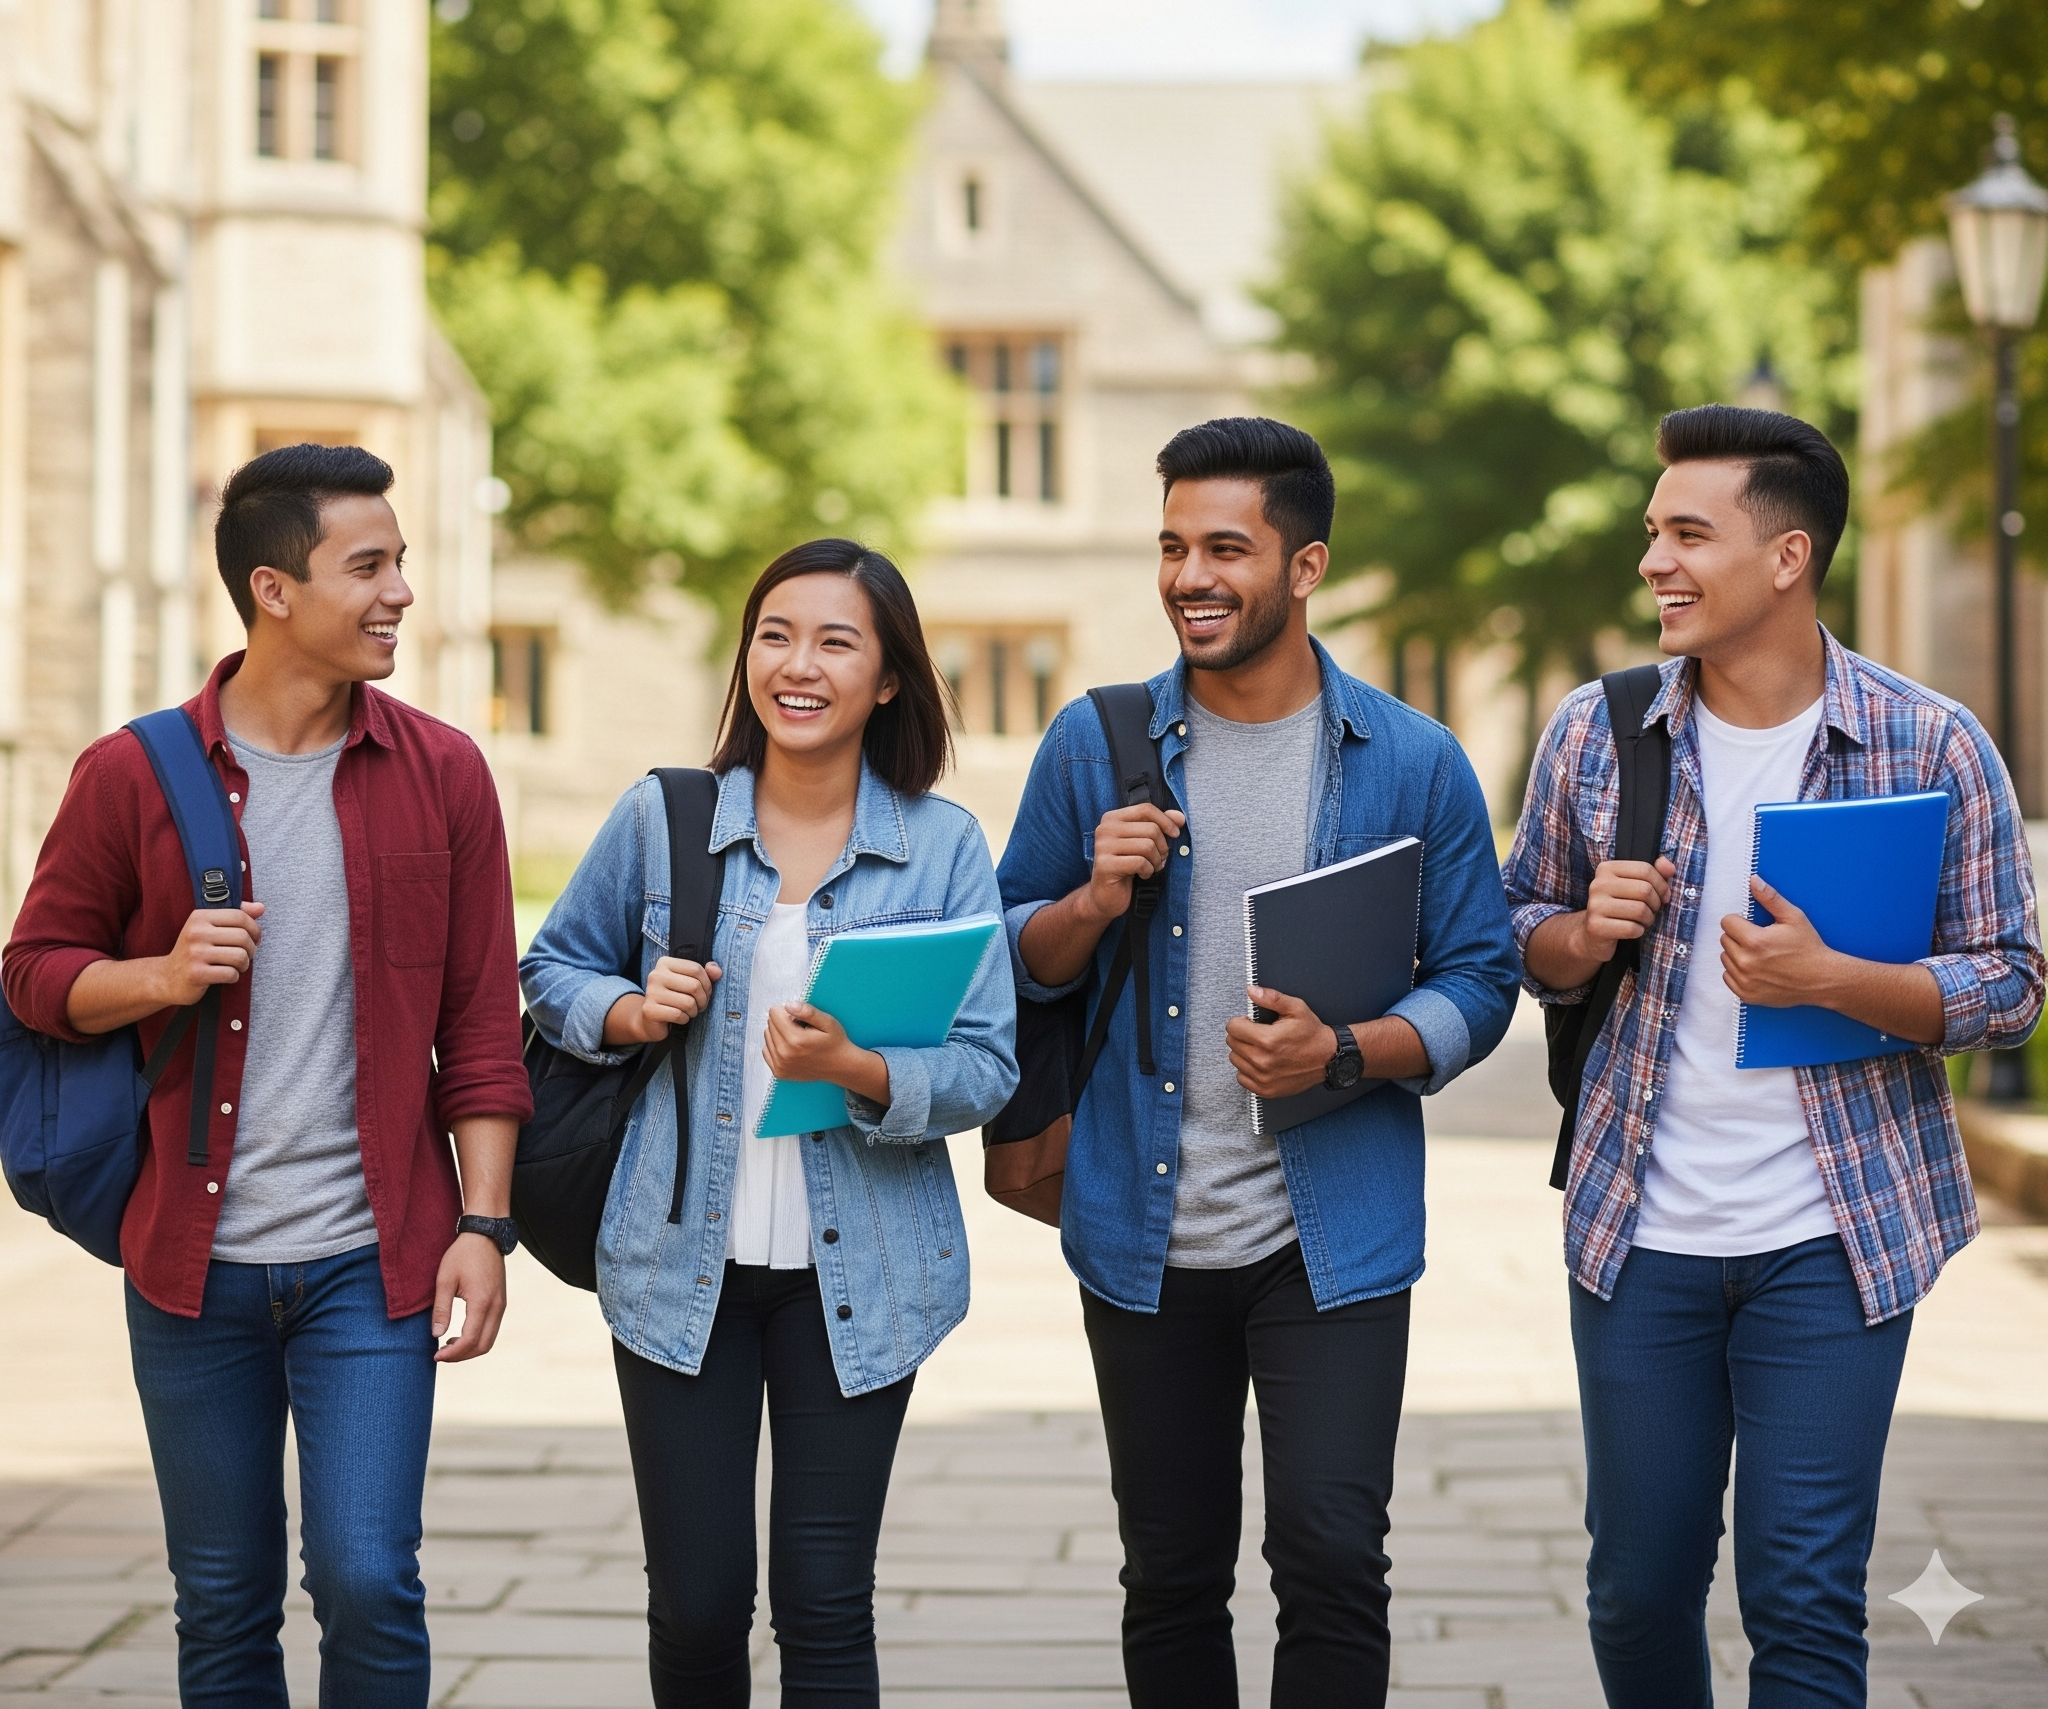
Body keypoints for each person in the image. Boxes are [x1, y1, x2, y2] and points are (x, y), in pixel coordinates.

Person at [1505, 405, 2045, 1709]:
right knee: (1637, 1585)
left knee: (1802, 1591)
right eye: (1654, 533)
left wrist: (1841, 983)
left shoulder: (1931, 742)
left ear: (1788, 556)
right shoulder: (1600, 732)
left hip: (1838, 1238)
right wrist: (1582, 932)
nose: (1656, 562)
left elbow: (2015, 986)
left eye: (1689, 533)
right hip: (1641, 1235)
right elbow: (1517, 933)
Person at [997, 416, 1522, 1708]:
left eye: (1225, 547)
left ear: (1306, 566)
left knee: (1335, 1560)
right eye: (1172, 546)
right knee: (1170, 1573)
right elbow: (1009, 956)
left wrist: (1348, 1053)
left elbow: (1484, 980)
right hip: (1141, 1233)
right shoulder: (1094, 742)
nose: (1190, 576)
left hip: (1330, 1238)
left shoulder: (1412, 760)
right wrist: (1090, 901)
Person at [2, 443, 531, 1708]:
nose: (402, 588)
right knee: (224, 1598)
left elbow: (480, 1020)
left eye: (400, 560)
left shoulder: (443, 770)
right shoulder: (132, 772)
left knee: (366, 1575)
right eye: (370, 564)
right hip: (191, 1267)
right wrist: (161, 974)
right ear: (273, 588)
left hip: (375, 1259)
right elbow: (32, 971)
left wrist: (485, 1223)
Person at [520, 537, 1017, 1709]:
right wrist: (629, 1008)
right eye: (774, 634)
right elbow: (551, 968)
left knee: (825, 1600)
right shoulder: (666, 815)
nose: (797, 664)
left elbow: (987, 1061)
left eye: (836, 640)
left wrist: (859, 1066)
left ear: (888, 676)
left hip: (863, 1273)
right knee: (695, 1606)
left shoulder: (941, 842)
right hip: (675, 1261)